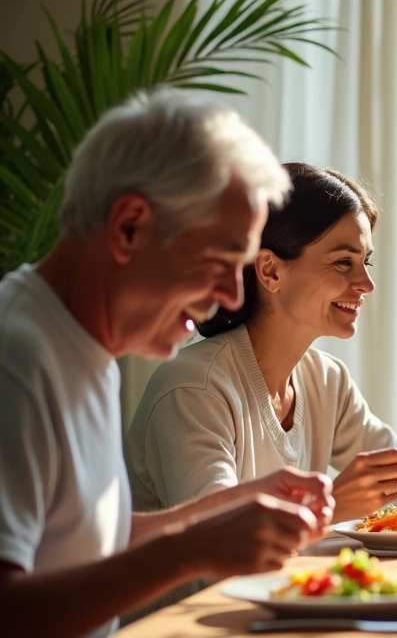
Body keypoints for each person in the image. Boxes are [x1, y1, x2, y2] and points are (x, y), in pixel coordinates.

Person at [0, 90, 334, 638]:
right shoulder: (17, 359)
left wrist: (233, 503)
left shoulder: (86, 351)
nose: (231, 296)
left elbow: (80, 540)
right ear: (130, 226)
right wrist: (188, 552)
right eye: (220, 261)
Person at [126, 163, 397, 522]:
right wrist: (332, 508)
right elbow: (216, 546)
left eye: (366, 261)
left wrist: (374, 511)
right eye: (343, 262)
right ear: (270, 271)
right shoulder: (193, 389)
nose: (366, 283)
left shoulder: (327, 380)